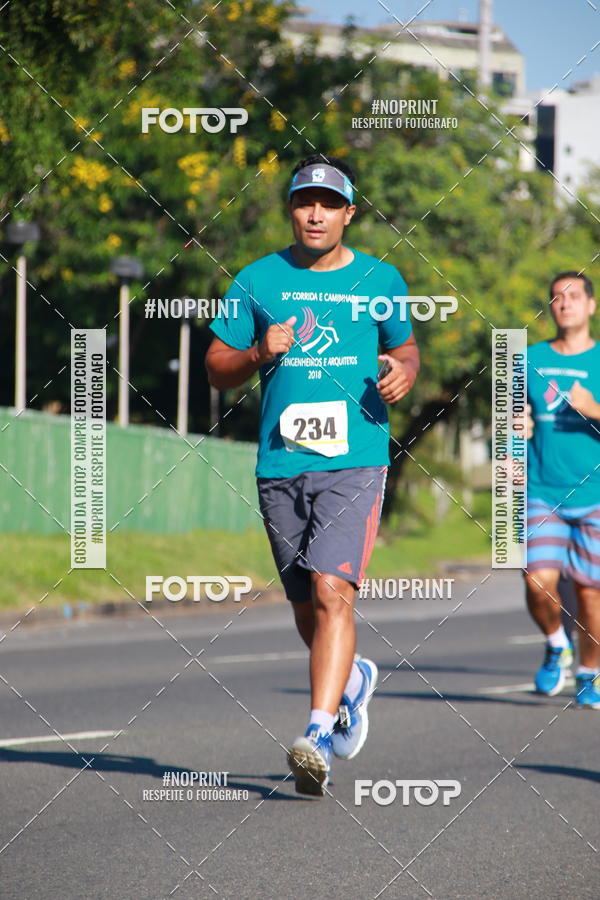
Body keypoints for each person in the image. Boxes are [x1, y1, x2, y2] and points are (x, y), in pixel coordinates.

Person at [205, 154, 419, 794]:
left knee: (333, 591)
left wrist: (404, 369)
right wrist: (253, 352)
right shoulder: (257, 280)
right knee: (306, 609)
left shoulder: (382, 278)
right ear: (292, 210)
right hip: (281, 461)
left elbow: (405, 346)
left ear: (349, 213)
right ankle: (353, 680)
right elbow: (216, 366)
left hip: (356, 459)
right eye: (305, 202)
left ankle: (317, 733)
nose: (316, 213)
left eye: (329, 203)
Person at [525, 271, 600, 708]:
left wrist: (594, 409)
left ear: (591, 306)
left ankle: (588, 671)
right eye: (556, 297)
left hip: (594, 495)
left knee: (590, 593)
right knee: (537, 582)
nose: (564, 303)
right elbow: (509, 417)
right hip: (542, 490)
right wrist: (516, 425)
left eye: (573, 297)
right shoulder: (529, 358)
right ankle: (557, 643)